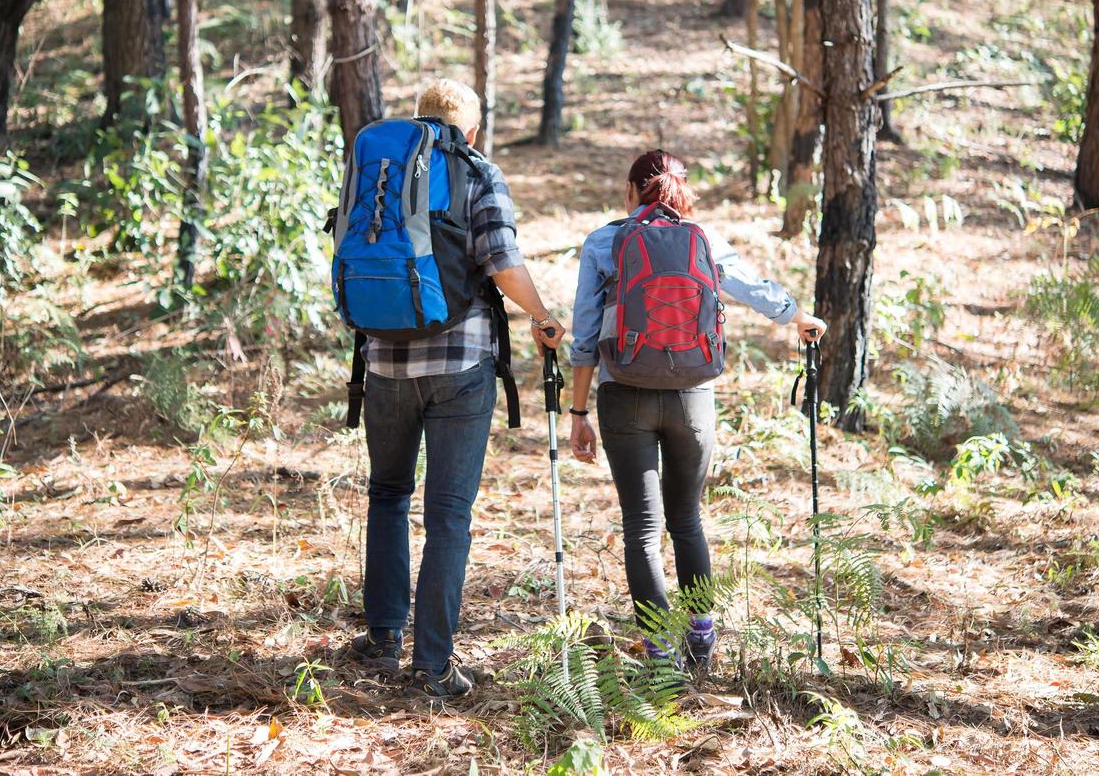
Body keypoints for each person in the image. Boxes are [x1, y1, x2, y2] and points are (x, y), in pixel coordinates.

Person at [343, 79, 564, 700]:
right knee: (447, 516)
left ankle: (384, 637)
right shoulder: (477, 173)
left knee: (387, 493)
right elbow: (500, 259)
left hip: (383, 359)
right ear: (470, 130)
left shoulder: (377, 168)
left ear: (419, 120)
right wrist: (541, 315)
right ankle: (433, 667)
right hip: (459, 365)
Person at [566, 150, 826, 667]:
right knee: (687, 518)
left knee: (642, 527)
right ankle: (702, 636)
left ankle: (661, 651)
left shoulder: (604, 241)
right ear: (682, 191)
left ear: (632, 190)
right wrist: (797, 317)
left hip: (625, 393)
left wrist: (578, 412)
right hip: (692, 397)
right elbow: (750, 286)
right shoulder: (703, 240)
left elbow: (586, 334)